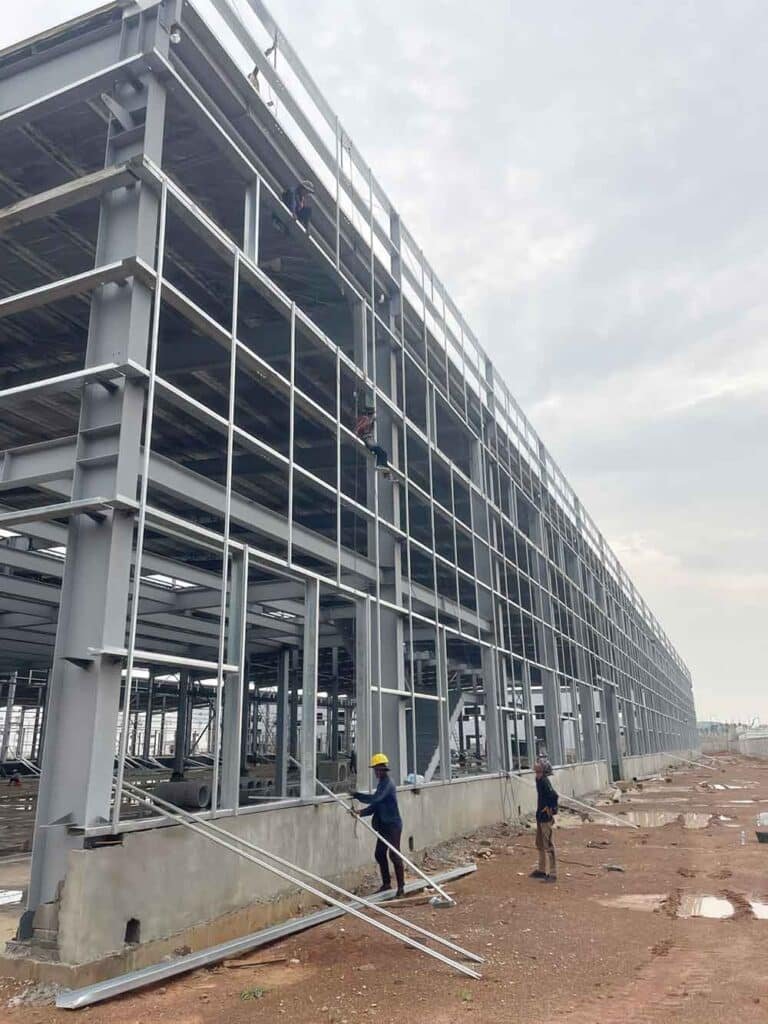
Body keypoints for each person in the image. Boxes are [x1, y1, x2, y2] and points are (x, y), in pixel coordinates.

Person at [351, 752, 405, 897]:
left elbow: (375, 799)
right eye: (374, 769)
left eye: (376, 769)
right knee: (380, 854)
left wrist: (357, 795)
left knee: (394, 855)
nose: (375, 772)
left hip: (393, 825)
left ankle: (401, 888)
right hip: (383, 825)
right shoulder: (382, 783)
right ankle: (386, 884)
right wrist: (360, 813)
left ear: (382, 769)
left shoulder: (388, 784)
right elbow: (376, 806)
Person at [530, 756, 558, 882]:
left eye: (538, 763)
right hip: (540, 815)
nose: (535, 764)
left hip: (545, 817)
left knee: (548, 844)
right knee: (540, 843)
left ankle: (553, 873)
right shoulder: (538, 779)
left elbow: (554, 795)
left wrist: (551, 809)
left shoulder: (545, 781)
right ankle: (542, 869)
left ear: (542, 768)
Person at [354, 405, 390, 476]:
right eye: (373, 414)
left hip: (368, 439)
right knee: (380, 451)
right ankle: (381, 467)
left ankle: (385, 471)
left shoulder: (369, 421)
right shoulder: (365, 419)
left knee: (383, 453)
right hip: (367, 438)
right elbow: (359, 428)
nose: (374, 416)